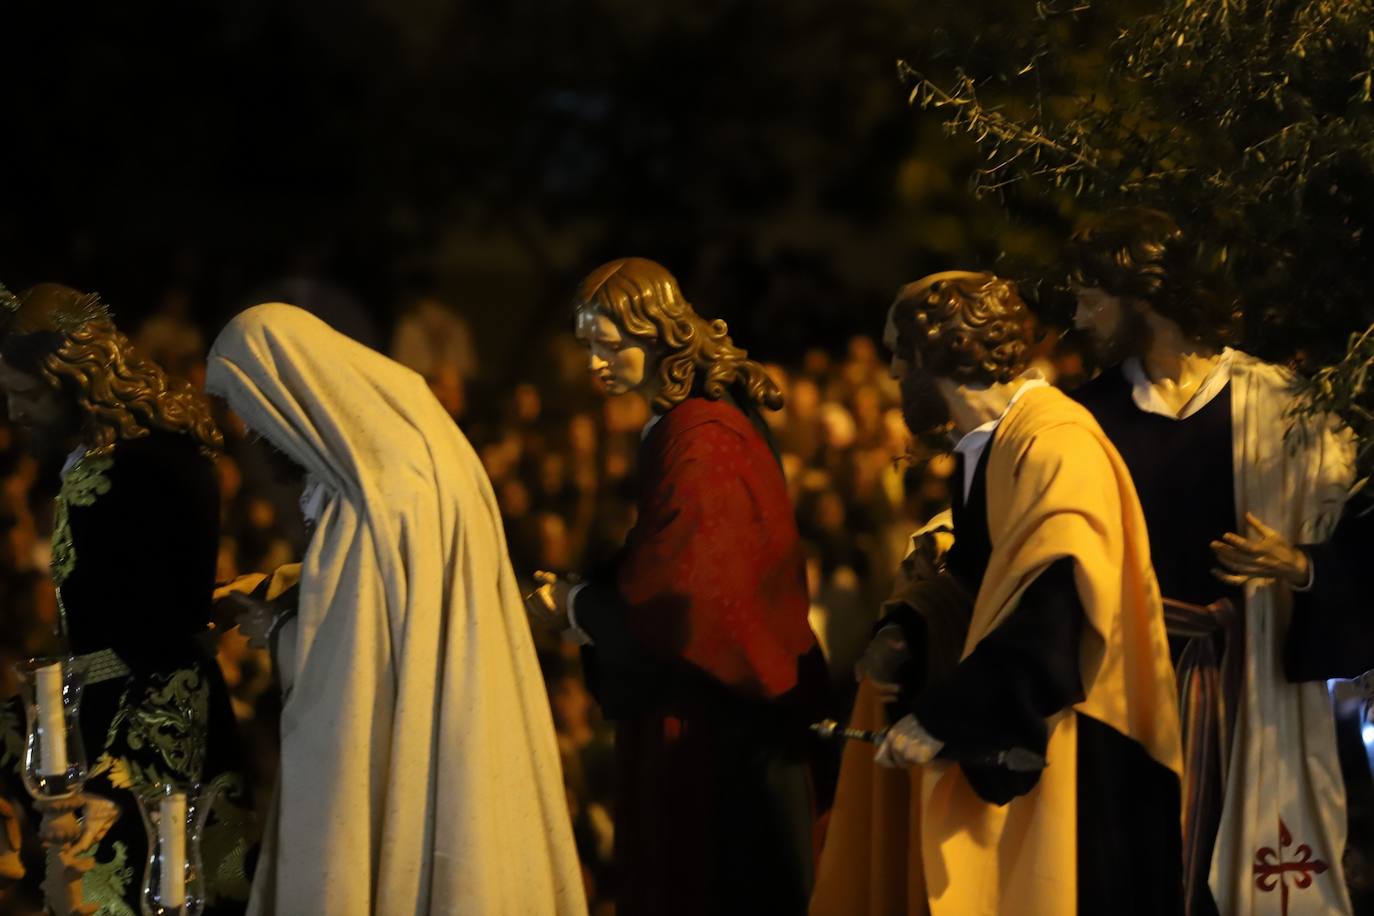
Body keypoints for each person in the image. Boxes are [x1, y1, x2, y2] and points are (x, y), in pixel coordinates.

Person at [812, 271, 1183, 916]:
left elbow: (1057, 607)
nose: (893, 370)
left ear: (941, 351)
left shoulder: (1055, 444)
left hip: (1088, 745)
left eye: (900, 351)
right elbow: (986, 583)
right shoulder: (992, 446)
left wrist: (946, 718)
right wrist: (908, 629)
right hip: (1036, 732)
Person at [205, 302, 585, 916]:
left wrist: (275, 627)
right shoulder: (410, 453)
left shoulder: (373, 496)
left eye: (248, 414)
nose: (243, 436)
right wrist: (290, 584)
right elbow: (401, 591)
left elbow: (351, 682)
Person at [1069, 209, 1356, 915]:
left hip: (1249, 684)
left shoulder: (1285, 408)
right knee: (1136, 869)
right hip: (1125, 685)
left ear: (1144, 298)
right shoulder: (1086, 416)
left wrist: (1302, 565)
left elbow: (1357, 533)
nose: (1078, 318)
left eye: (1090, 296)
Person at [526, 257, 824, 916]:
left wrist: (579, 607)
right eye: (588, 347)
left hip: (716, 730)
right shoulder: (690, 423)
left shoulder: (701, 435)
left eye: (611, 345)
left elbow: (686, 587)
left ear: (656, 333)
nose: (596, 363)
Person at [0, 282, 255, 915]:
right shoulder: (142, 454)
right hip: (155, 706)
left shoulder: (123, 471)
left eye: (26, 395)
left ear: (73, 381)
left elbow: (139, 630)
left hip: (138, 728)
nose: (14, 413)